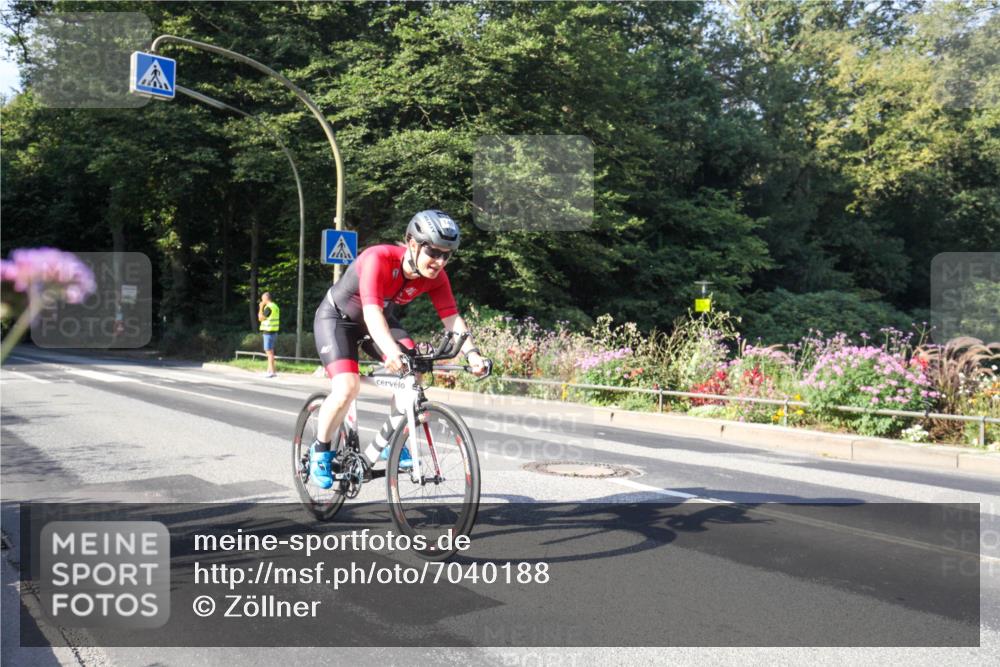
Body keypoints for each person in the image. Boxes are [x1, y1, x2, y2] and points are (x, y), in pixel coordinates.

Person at [309, 209, 489, 489]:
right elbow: (371, 313)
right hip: (338, 320)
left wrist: (472, 354)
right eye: (434, 252)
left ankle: (392, 441)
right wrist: (391, 353)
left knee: (413, 374)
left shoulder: (436, 276)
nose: (440, 261)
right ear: (413, 244)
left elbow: (452, 318)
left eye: (447, 255)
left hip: (379, 322)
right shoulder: (377, 258)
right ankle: (320, 451)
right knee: (347, 387)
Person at [258, 292, 280, 378]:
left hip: (268, 332)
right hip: (273, 332)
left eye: (262, 298)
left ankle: (272, 372)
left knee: (269, 353)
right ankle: (269, 370)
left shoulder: (269, 307)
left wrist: (260, 307)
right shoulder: (275, 306)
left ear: (266, 298)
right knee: (270, 352)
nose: (262, 300)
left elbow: (261, 318)